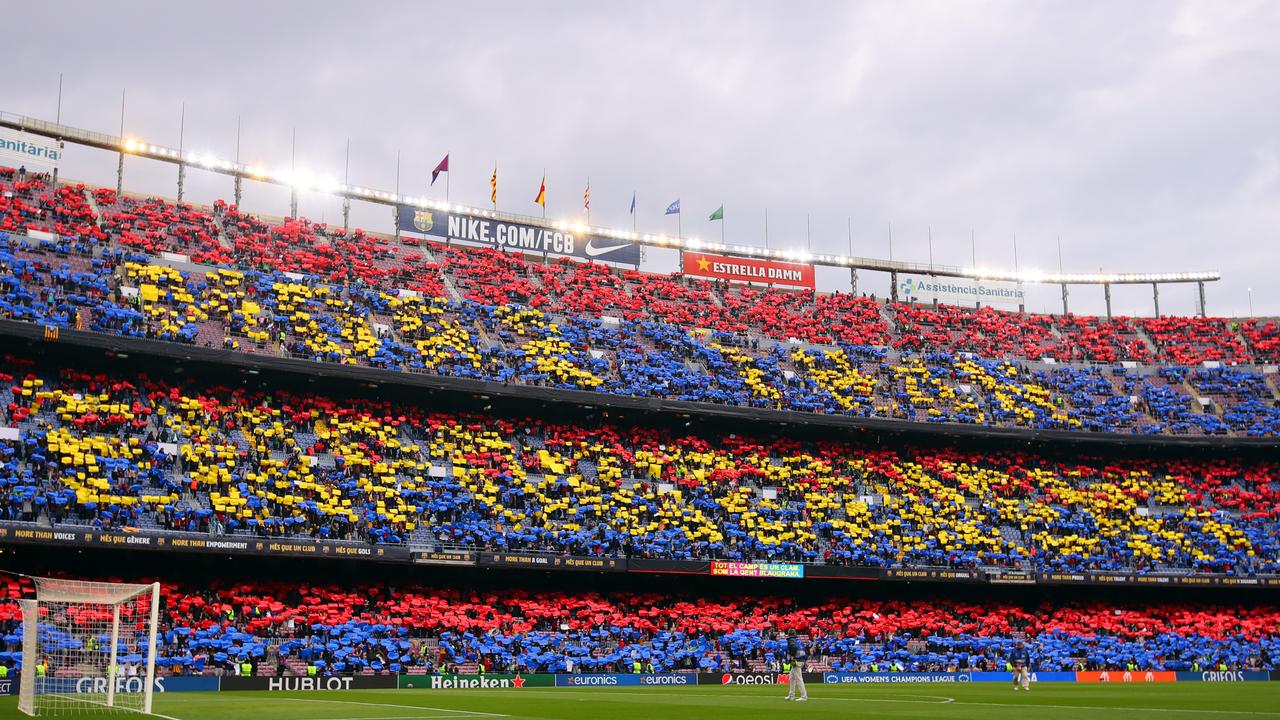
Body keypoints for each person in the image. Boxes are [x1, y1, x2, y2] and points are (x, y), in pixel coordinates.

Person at [784, 630, 808, 702]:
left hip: (797, 660)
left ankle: (804, 696)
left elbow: (793, 647)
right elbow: (806, 649)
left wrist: (792, 656)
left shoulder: (791, 640)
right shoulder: (798, 640)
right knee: (792, 678)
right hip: (802, 659)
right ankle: (791, 695)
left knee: (799, 678)